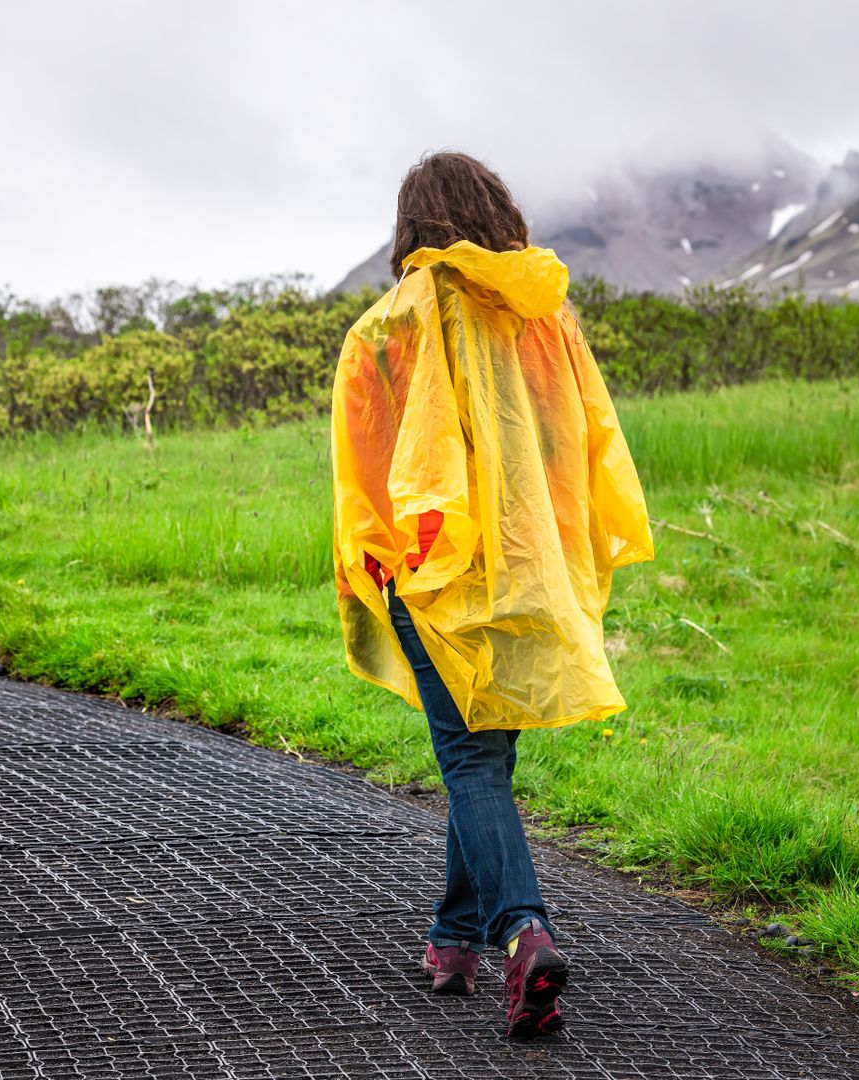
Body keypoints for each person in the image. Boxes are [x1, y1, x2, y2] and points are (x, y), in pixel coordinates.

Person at [329, 152, 654, 1039]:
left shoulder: (382, 330)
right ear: (495, 212)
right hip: (528, 563)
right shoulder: (543, 314)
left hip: (433, 575)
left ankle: (523, 932)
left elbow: (366, 474)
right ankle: (453, 939)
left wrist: (381, 566)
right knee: (489, 762)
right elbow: (579, 443)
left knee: (470, 762)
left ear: (411, 226)